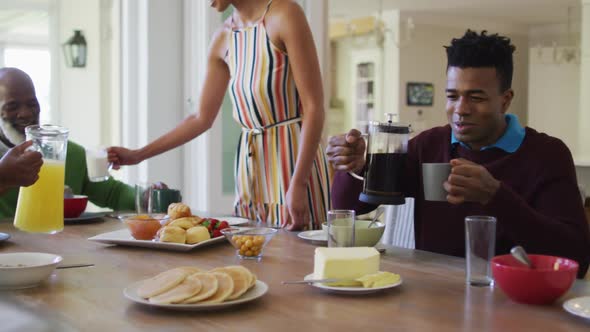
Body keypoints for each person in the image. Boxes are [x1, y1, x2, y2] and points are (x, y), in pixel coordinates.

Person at [326, 30, 590, 277]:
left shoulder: (546, 155)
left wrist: (496, 197)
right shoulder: (429, 145)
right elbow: (347, 208)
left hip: (514, 303)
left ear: (506, 99)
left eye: (476, 98)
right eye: (452, 96)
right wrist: (359, 168)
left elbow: (576, 259)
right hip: (434, 299)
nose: (461, 109)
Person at [108, 0, 330, 231]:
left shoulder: (285, 14)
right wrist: (137, 155)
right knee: (252, 254)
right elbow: (201, 118)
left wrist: (299, 182)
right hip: (249, 167)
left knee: (300, 257)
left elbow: (314, 108)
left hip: (295, 163)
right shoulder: (223, 37)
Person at [0, 67, 158, 218]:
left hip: (57, 243)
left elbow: (113, 194)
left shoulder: (68, 153)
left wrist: (147, 196)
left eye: (32, 104)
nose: (25, 113)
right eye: (12, 106)